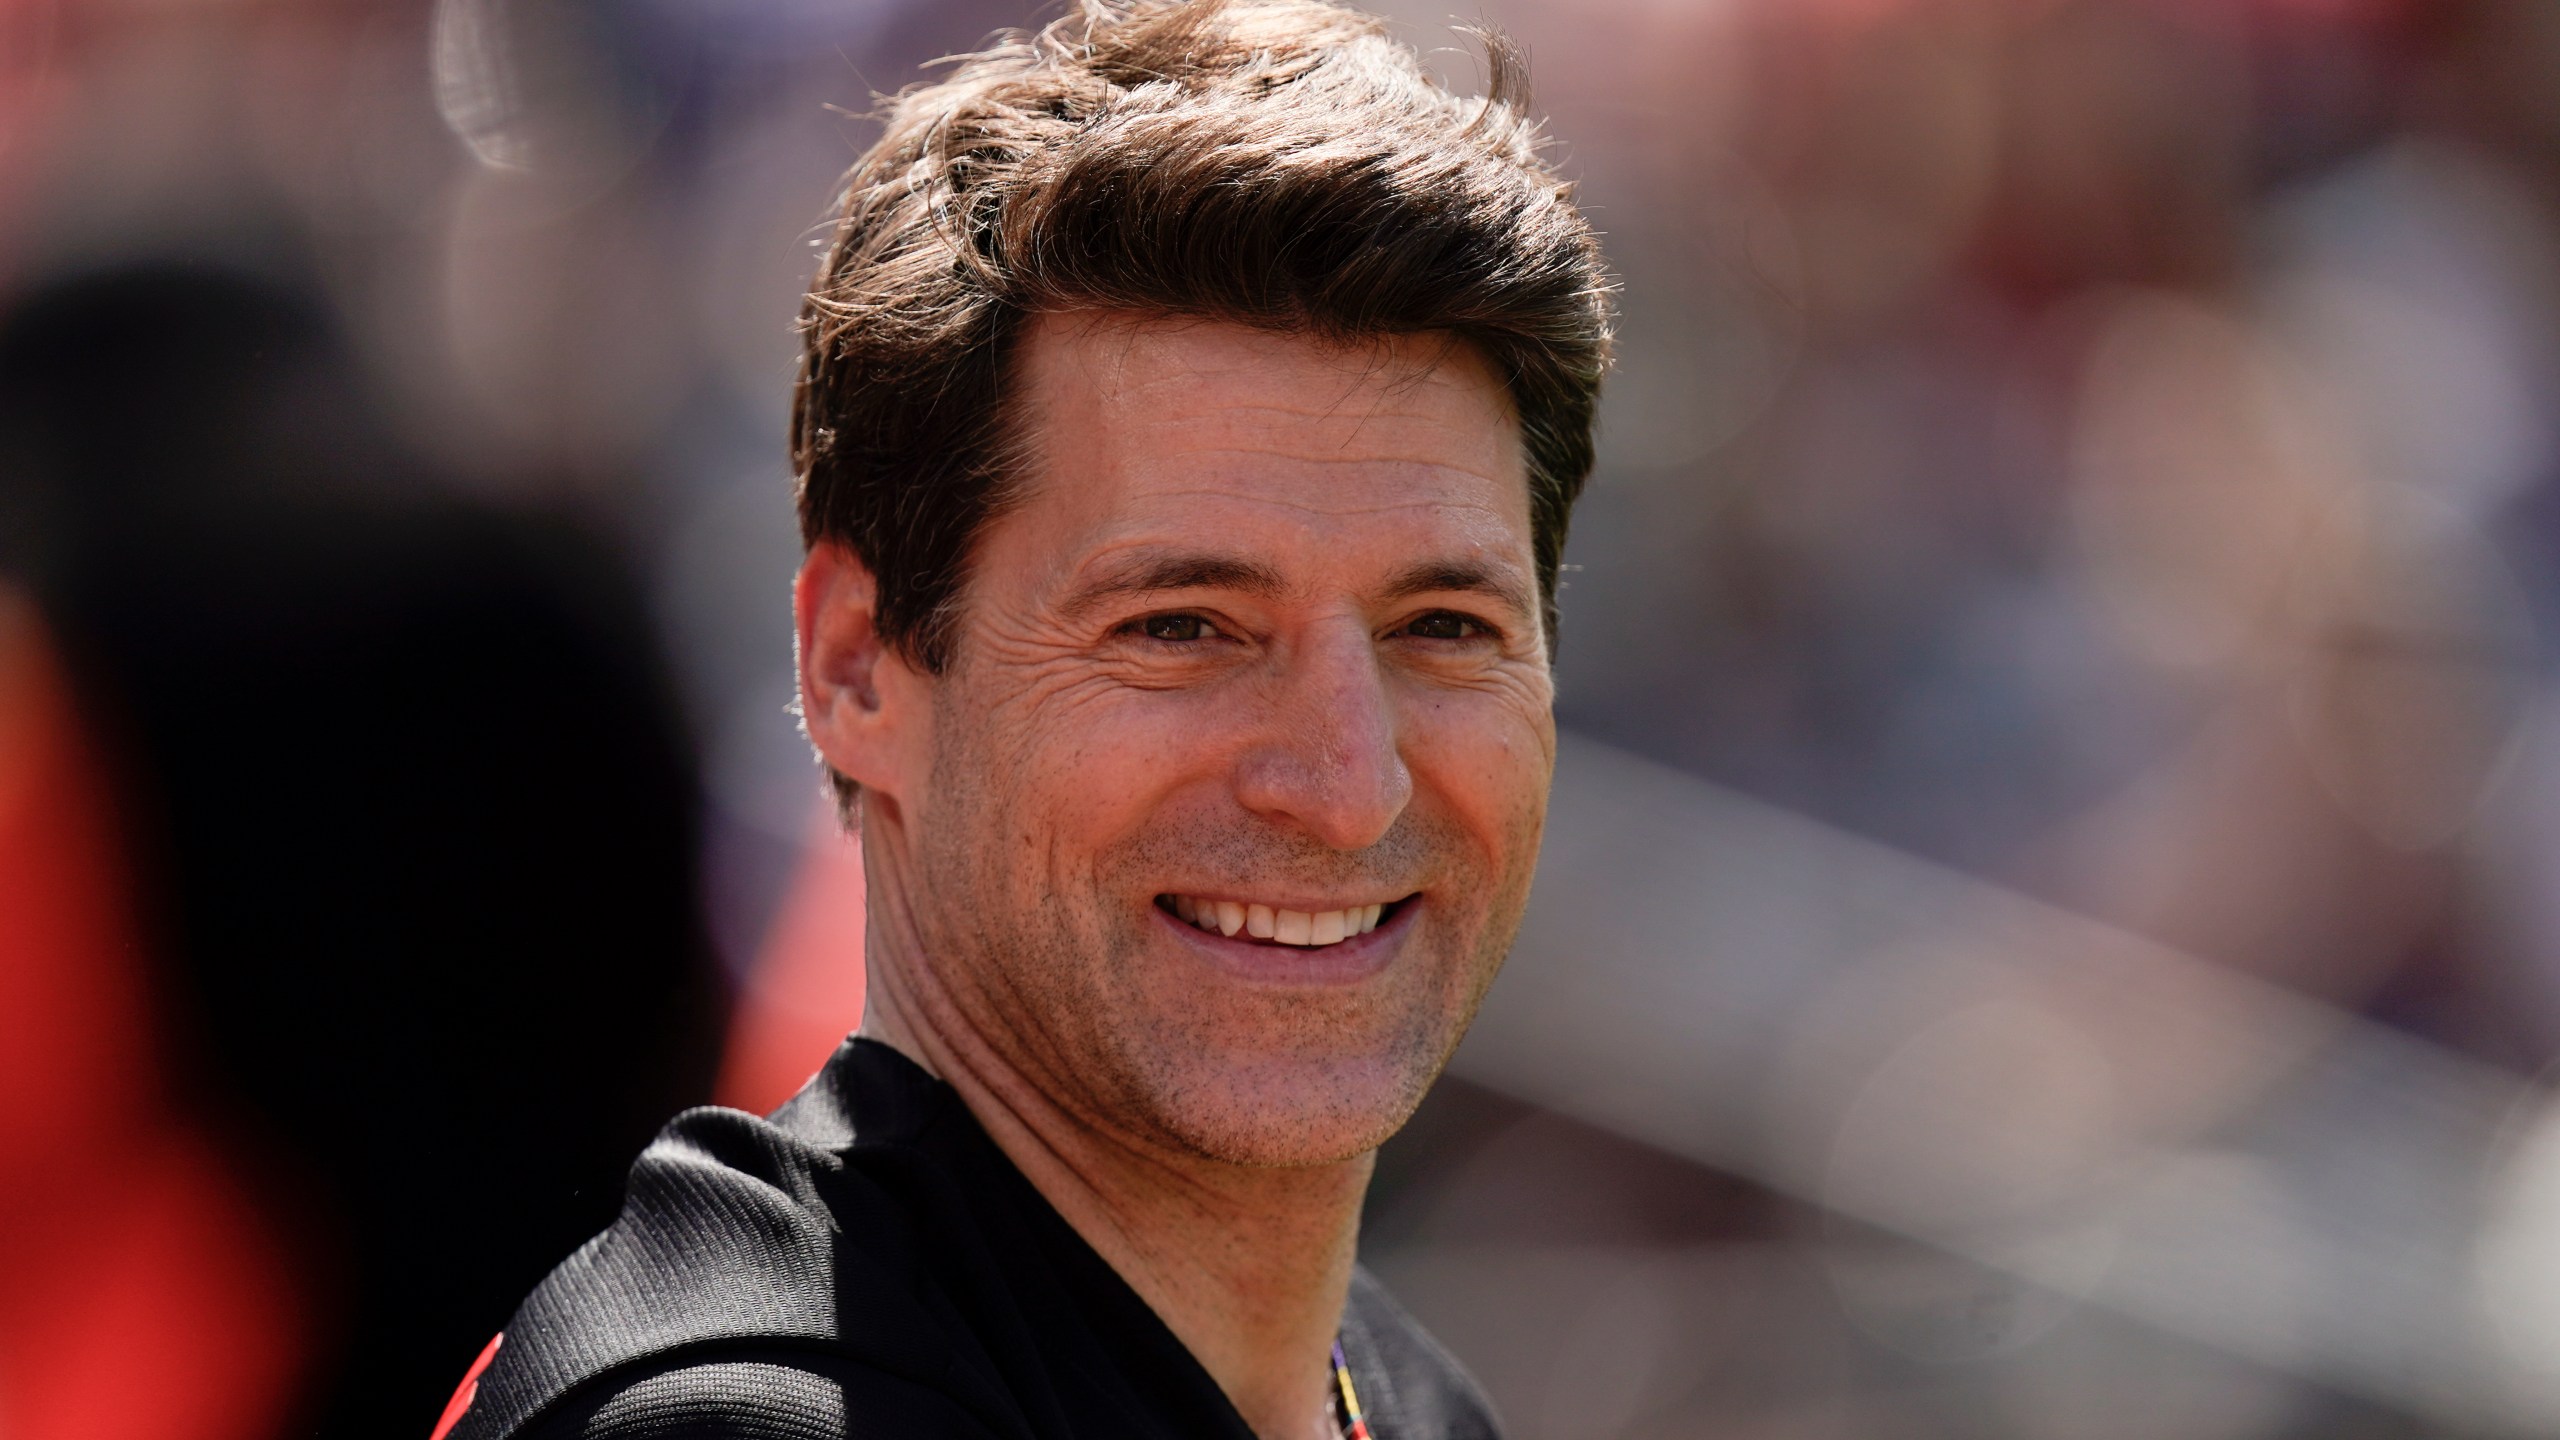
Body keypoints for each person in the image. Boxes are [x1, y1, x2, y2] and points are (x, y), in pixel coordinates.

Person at [441, 1, 1610, 1437]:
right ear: (856, 668)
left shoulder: (1405, 1401)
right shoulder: (743, 1423)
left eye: (1444, 629)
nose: (1349, 784)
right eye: (1182, 627)